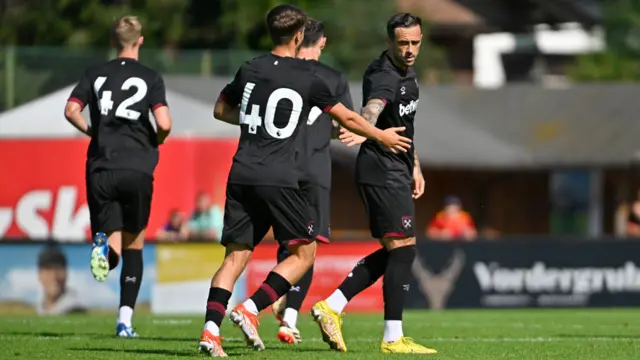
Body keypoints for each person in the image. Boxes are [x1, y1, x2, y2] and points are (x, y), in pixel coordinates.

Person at [198, 4, 411, 357]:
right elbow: (348, 120)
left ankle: (209, 331)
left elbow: (221, 109)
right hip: (280, 176)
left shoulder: (250, 68)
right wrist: (381, 137)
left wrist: (257, 123)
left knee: (234, 258)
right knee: (304, 252)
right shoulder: (309, 77)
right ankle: (250, 309)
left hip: (241, 173)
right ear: (299, 36)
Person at [311, 13, 437, 354]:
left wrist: (415, 165)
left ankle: (332, 306)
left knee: (398, 251)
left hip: (396, 168)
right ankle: (392, 338)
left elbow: (404, 124)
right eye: (403, 44)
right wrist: (361, 126)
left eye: (415, 42)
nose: (410, 50)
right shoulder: (384, 74)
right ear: (389, 42)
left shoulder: (407, 71)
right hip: (380, 171)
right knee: (404, 249)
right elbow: (373, 108)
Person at [63, 15, 172, 337]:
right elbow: (164, 123)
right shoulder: (150, 77)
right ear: (140, 41)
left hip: (100, 165)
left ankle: (104, 248)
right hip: (137, 167)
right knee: (134, 245)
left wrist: (93, 131)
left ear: (113, 42)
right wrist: (157, 140)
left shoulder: (95, 74)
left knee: (110, 245)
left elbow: (70, 109)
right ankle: (124, 321)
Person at [270, 18, 354, 345]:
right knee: (307, 249)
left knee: (287, 246)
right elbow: (344, 123)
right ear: (322, 43)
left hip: (278, 169)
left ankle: (279, 299)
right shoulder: (333, 78)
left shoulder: (276, 73)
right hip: (315, 171)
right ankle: (289, 319)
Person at [37, 245, 86, 315]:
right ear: (40, 275)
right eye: (48, 270)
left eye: (58, 269)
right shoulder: (40, 307)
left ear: (66, 273)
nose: (54, 277)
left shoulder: (75, 307)